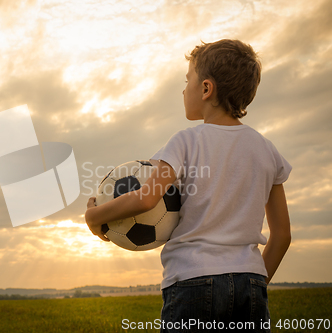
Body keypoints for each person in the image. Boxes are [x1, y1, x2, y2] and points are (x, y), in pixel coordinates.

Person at [85, 39, 292, 332]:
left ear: (206, 89)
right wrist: (252, 280)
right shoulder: (267, 150)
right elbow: (282, 236)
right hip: (251, 282)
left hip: (193, 281)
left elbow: (146, 199)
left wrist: (94, 217)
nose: (183, 90)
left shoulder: (186, 141)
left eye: (187, 81)